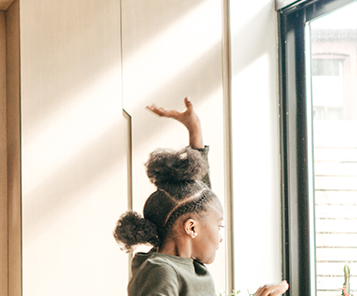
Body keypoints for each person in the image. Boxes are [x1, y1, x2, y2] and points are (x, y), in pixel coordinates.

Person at [113, 97, 289, 296]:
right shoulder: (161, 271)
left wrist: (194, 128)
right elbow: (199, 205)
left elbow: (198, 197)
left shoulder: (183, 264)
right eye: (219, 225)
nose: (220, 237)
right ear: (191, 228)